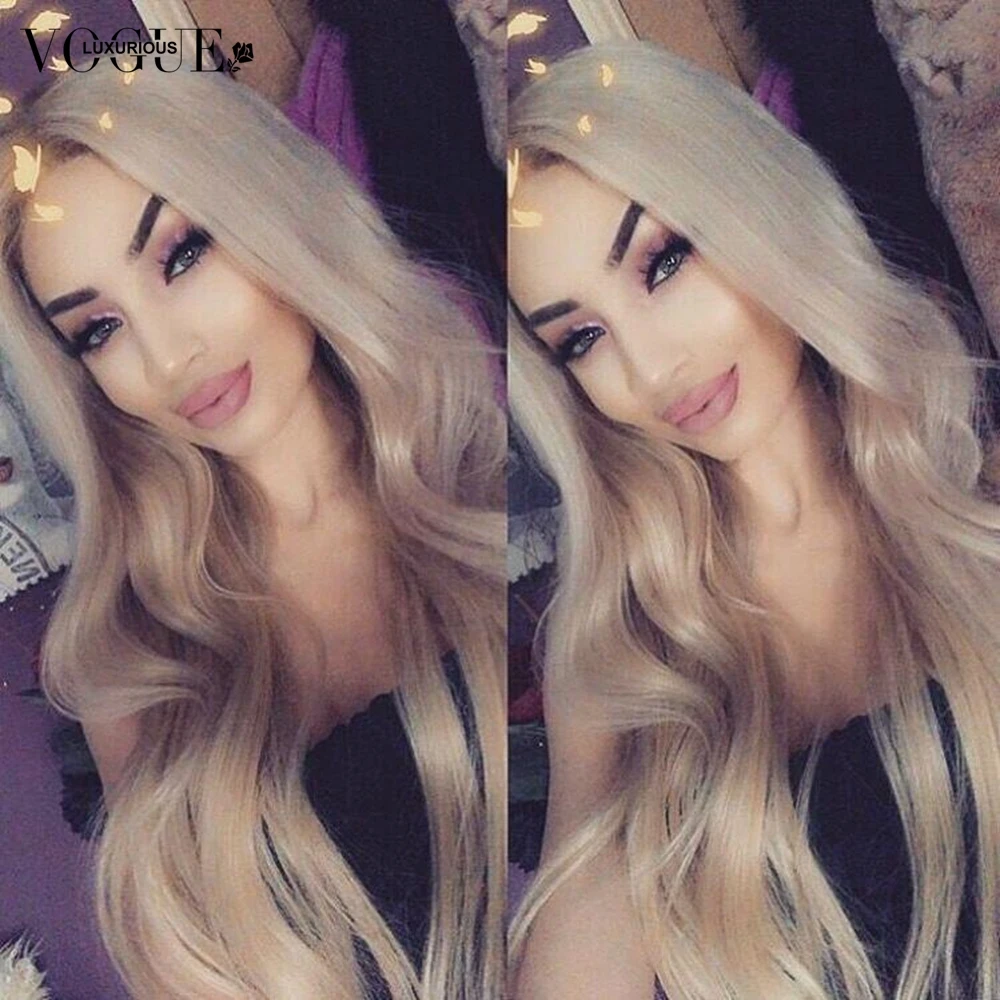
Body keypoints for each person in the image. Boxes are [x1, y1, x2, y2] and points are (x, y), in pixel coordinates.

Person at [0, 58, 505, 1000]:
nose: (167, 356)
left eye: (181, 255)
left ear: (272, 214)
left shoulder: (505, 485)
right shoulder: (132, 660)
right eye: (99, 329)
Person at [507, 41, 1000, 1000]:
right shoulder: (623, 650)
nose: (651, 369)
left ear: (756, 210)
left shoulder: (973, 498)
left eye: (662, 262)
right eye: (584, 337)